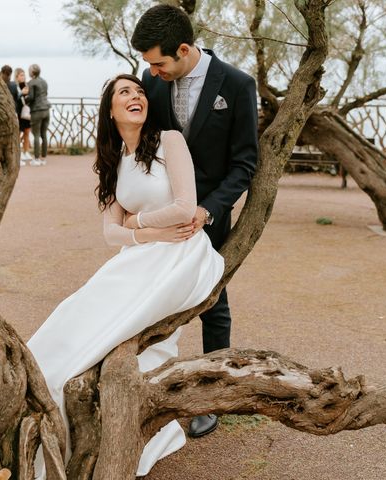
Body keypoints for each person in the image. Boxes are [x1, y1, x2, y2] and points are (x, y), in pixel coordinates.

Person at [27, 74, 224, 478]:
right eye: (124, 93)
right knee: (77, 310)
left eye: (139, 91)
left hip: (180, 253)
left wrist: (136, 220)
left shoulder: (171, 140)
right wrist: (145, 230)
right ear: (111, 110)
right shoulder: (115, 162)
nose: (135, 96)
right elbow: (110, 232)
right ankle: (42, 390)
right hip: (141, 251)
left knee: (121, 327)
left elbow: (186, 208)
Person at [131, 4, 259, 438]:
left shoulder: (239, 86)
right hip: (163, 214)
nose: (152, 72)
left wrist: (208, 210)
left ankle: (212, 394)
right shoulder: (152, 81)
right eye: (149, 65)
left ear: (183, 49)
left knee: (212, 300)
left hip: (211, 215)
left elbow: (244, 165)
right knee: (151, 295)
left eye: (158, 62)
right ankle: (145, 387)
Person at [24, 63, 50, 166]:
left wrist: (24, 98)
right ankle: (43, 158)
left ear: (32, 72)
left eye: (29, 70)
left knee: (36, 135)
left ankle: (36, 158)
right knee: (44, 134)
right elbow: (45, 94)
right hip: (46, 109)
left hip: (37, 110)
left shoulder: (31, 83)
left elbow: (31, 97)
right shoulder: (44, 82)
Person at [14, 67, 33, 164]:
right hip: (19, 112)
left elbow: (29, 98)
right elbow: (15, 99)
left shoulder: (26, 85)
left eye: (24, 75)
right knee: (18, 134)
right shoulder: (15, 86)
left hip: (26, 112)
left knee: (27, 132)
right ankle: (18, 153)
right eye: (21, 75)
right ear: (16, 76)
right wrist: (22, 93)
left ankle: (26, 152)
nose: (23, 77)